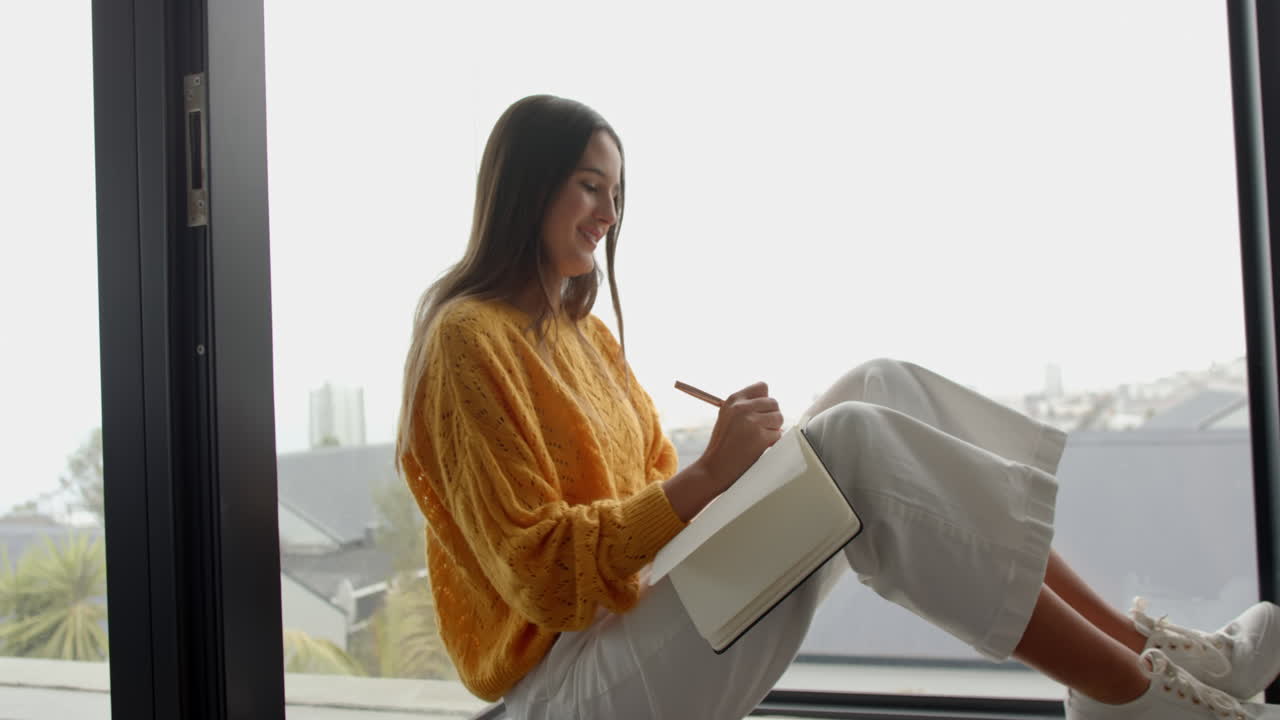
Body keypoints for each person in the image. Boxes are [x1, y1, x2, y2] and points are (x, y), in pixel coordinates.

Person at [395, 94, 1280, 720]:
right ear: (527, 183)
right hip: (571, 688)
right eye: (591, 185)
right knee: (851, 447)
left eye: (616, 193)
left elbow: (656, 503)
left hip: (638, 627)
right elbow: (545, 577)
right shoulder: (467, 340)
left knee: (879, 384)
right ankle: (1131, 696)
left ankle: (1134, 652)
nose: (609, 213)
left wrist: (732, 473)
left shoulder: (581, 335)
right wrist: (713, 476)